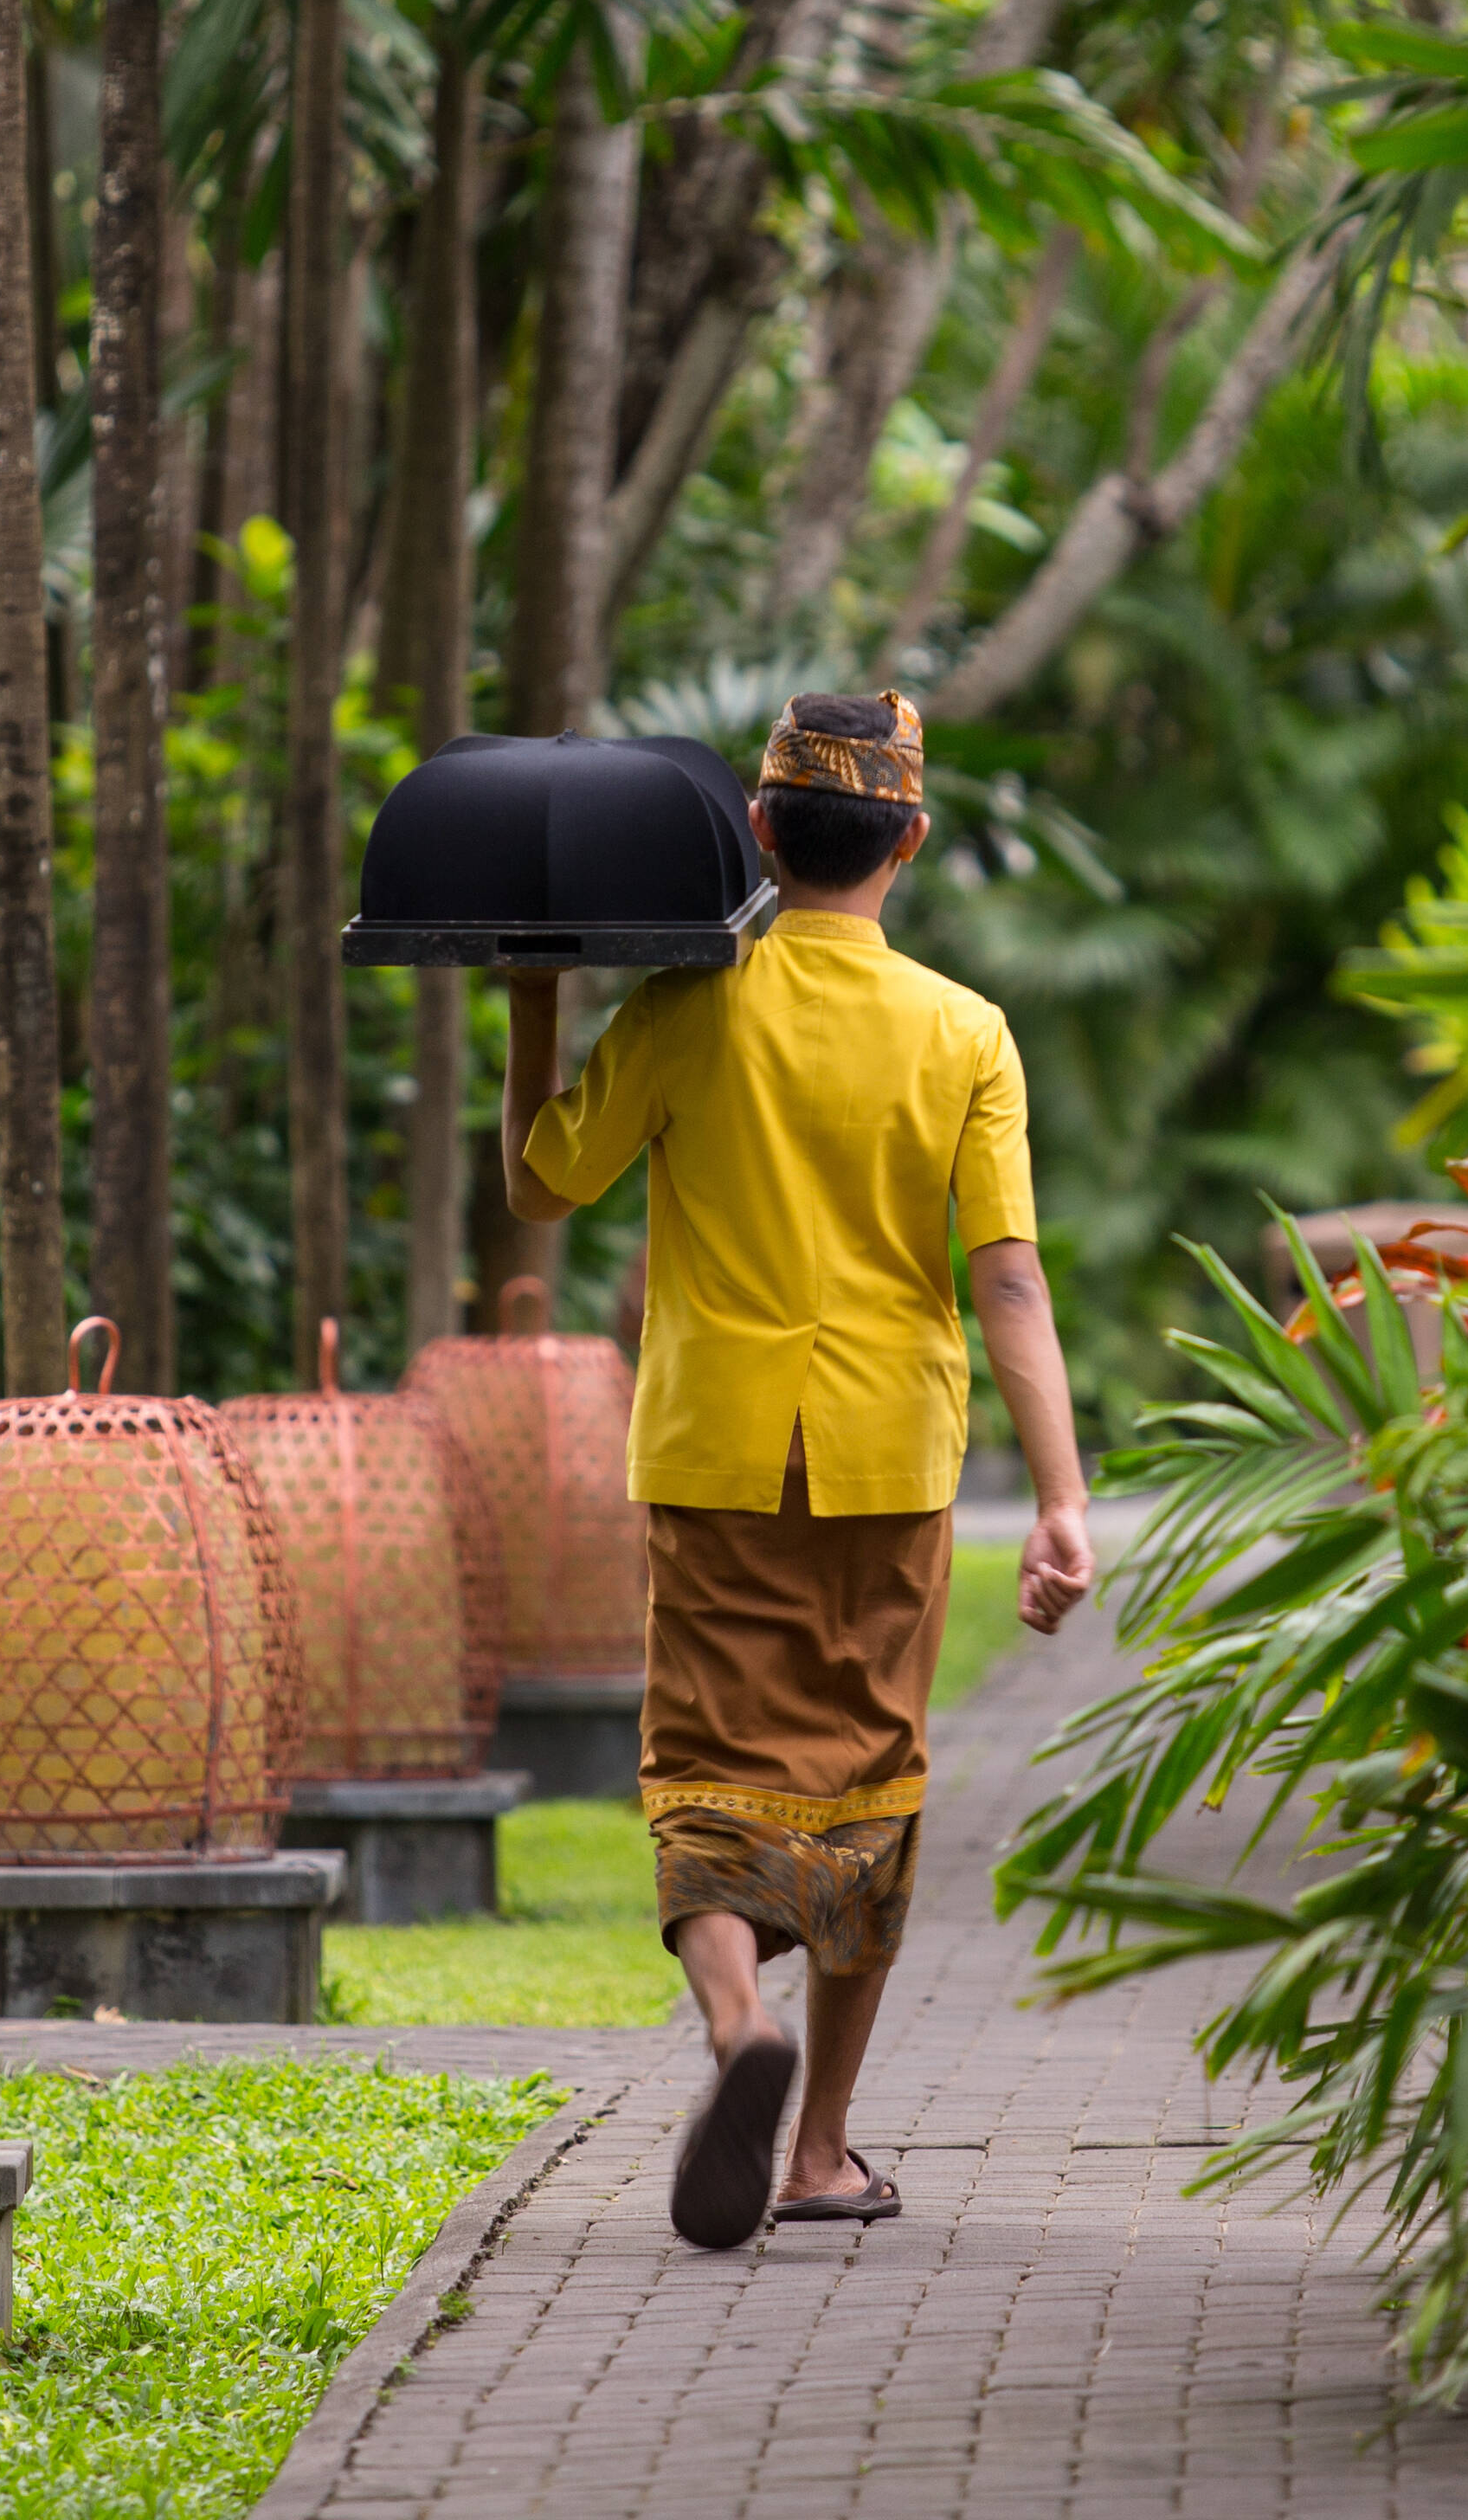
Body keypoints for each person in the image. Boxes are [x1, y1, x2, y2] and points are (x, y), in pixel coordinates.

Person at [500, 688, 1099, 2249]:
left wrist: (530, 1009)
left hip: (711, 1451)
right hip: (891, 1460)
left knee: (702, 1757)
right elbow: (1012, 1281)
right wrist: (1060, 1497)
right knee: (866, 1785)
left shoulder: (689, 1003)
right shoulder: (967, 1033)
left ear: (765, 831)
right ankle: (821, 2150)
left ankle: (730, 2027)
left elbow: (546, 1182)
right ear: (906, 839)